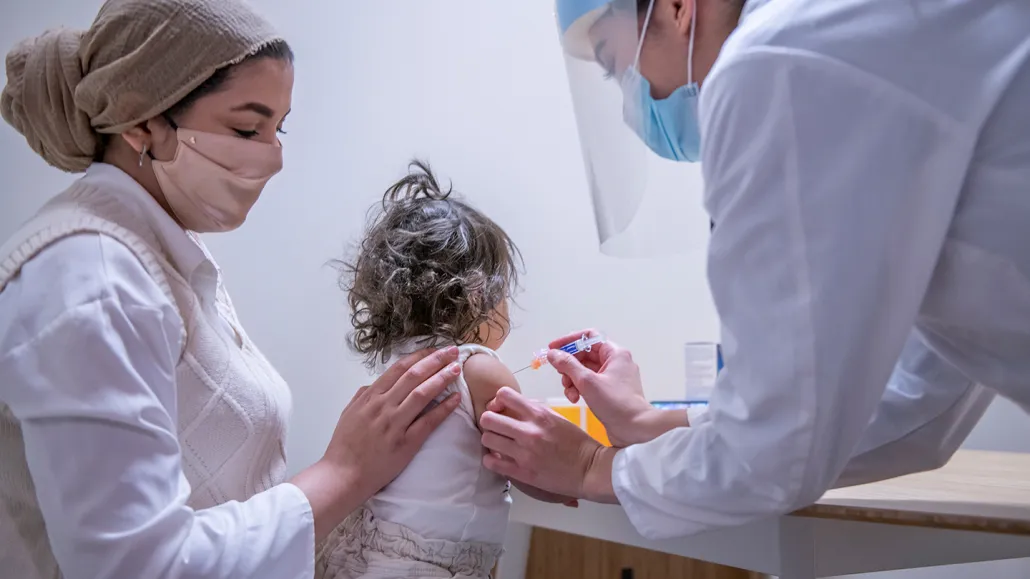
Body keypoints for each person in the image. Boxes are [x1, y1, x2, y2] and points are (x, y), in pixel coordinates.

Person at [479, 0, 1030, 540]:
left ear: (676, 8)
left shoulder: (776, 61)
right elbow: (915, 408)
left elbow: (781, 447)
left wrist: (591, 467)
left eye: (614, 63)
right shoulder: (859, 35)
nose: (631, 101)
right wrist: (651, 426)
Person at [0, 2, 463, 578]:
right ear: (141, 122)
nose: (273, 156)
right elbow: (136, 567)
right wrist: (345, 472)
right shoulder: (92, 278)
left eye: (278, 128)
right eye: (247, 128)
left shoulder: (162, 256)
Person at [316, 160, 570, 579]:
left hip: (369, 557)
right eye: (503, 289)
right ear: (476, 293)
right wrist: (569, 483)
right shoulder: (480, 369)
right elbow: (526, 461)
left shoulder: (400, 365)